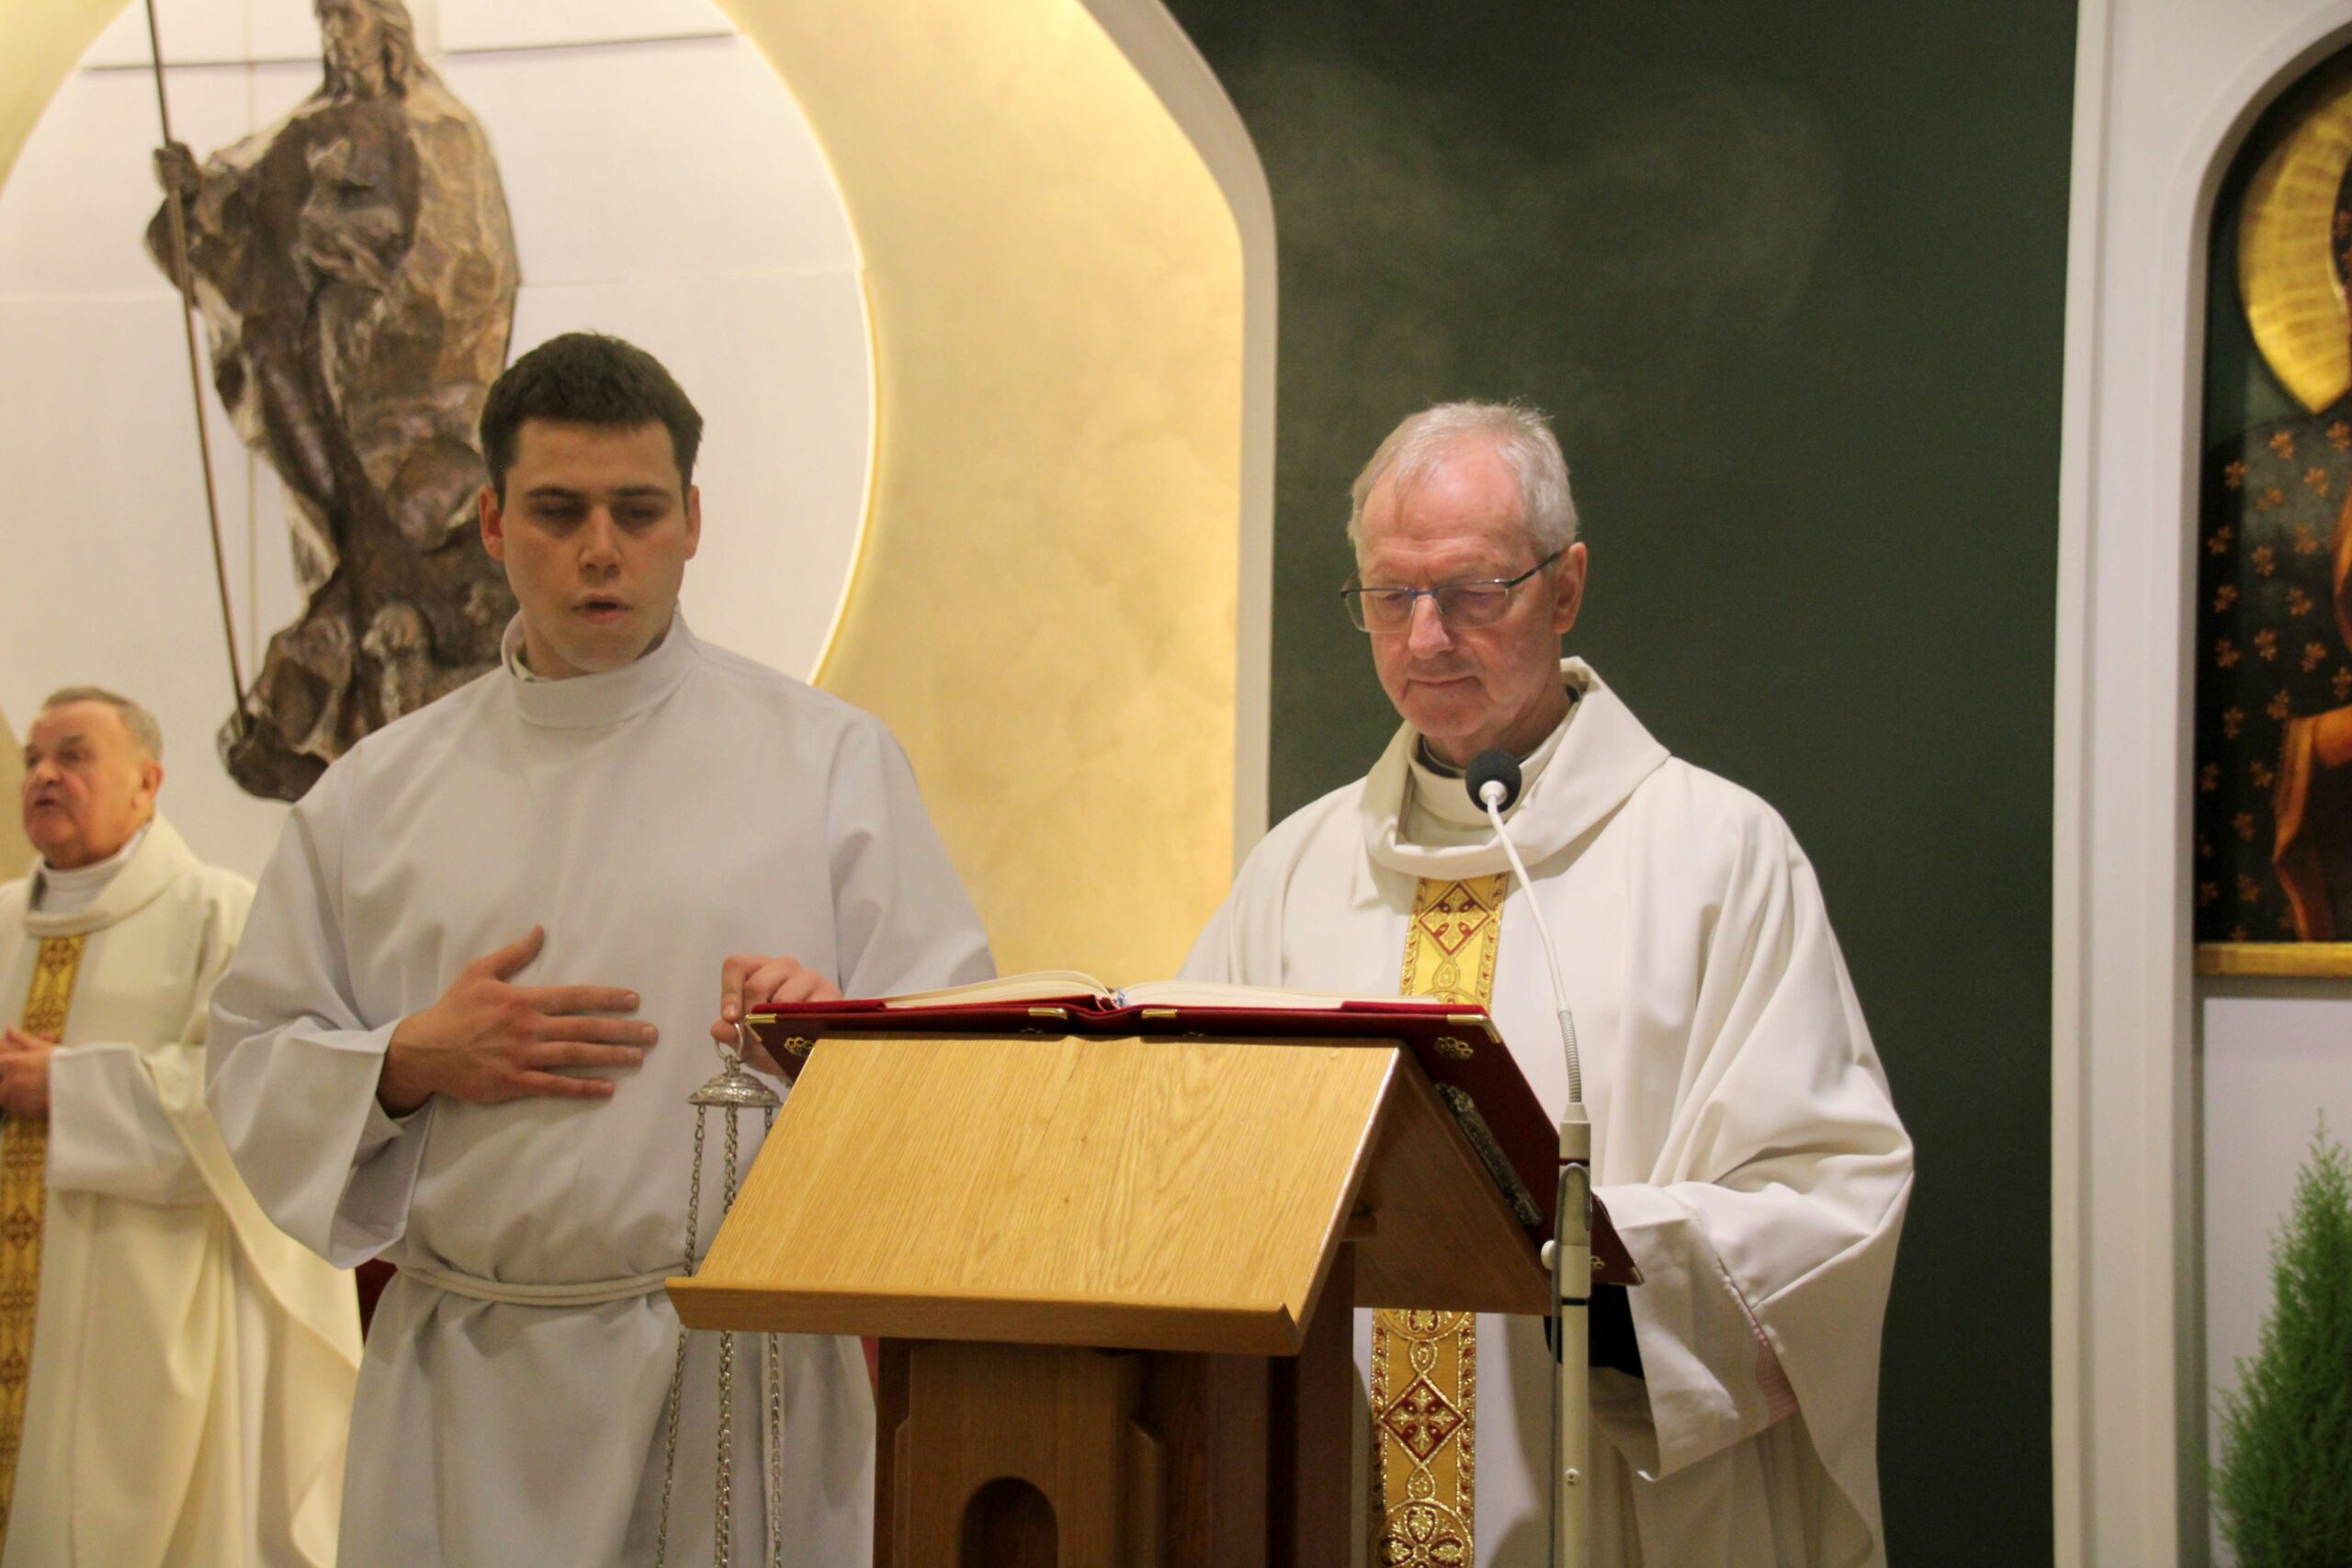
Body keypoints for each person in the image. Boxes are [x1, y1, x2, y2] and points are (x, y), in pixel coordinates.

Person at [207, 332, 994, 1566]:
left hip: (737, 1382)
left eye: (636, 511)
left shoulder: (828, 763)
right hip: (465, 1396)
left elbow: (961, 1066)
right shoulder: (376, 795)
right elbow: (250, 1063)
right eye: (557, 510)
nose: (599, 550)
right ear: (490, 520)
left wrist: (828, 1045)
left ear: (691, 520)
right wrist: (407, 1060)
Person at [1182, 403, 1912, 1566]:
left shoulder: (1715, 855)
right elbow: (1191, 1155)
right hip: (1333, 1493)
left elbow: (1829, 1197)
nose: (1425, 637)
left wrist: (1598, 1270)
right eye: (1389, 595)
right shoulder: (1296, 871)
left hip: (1602, 1500)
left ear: (1564, 588)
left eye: (1472, 591)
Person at [0, 688, 358, 1565]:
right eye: (33, 759)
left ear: (147, 782)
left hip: (143, 1314)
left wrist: (70, 1088)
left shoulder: (219, 913)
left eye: (74, 755)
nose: (44, 775)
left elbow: (250, 1100)